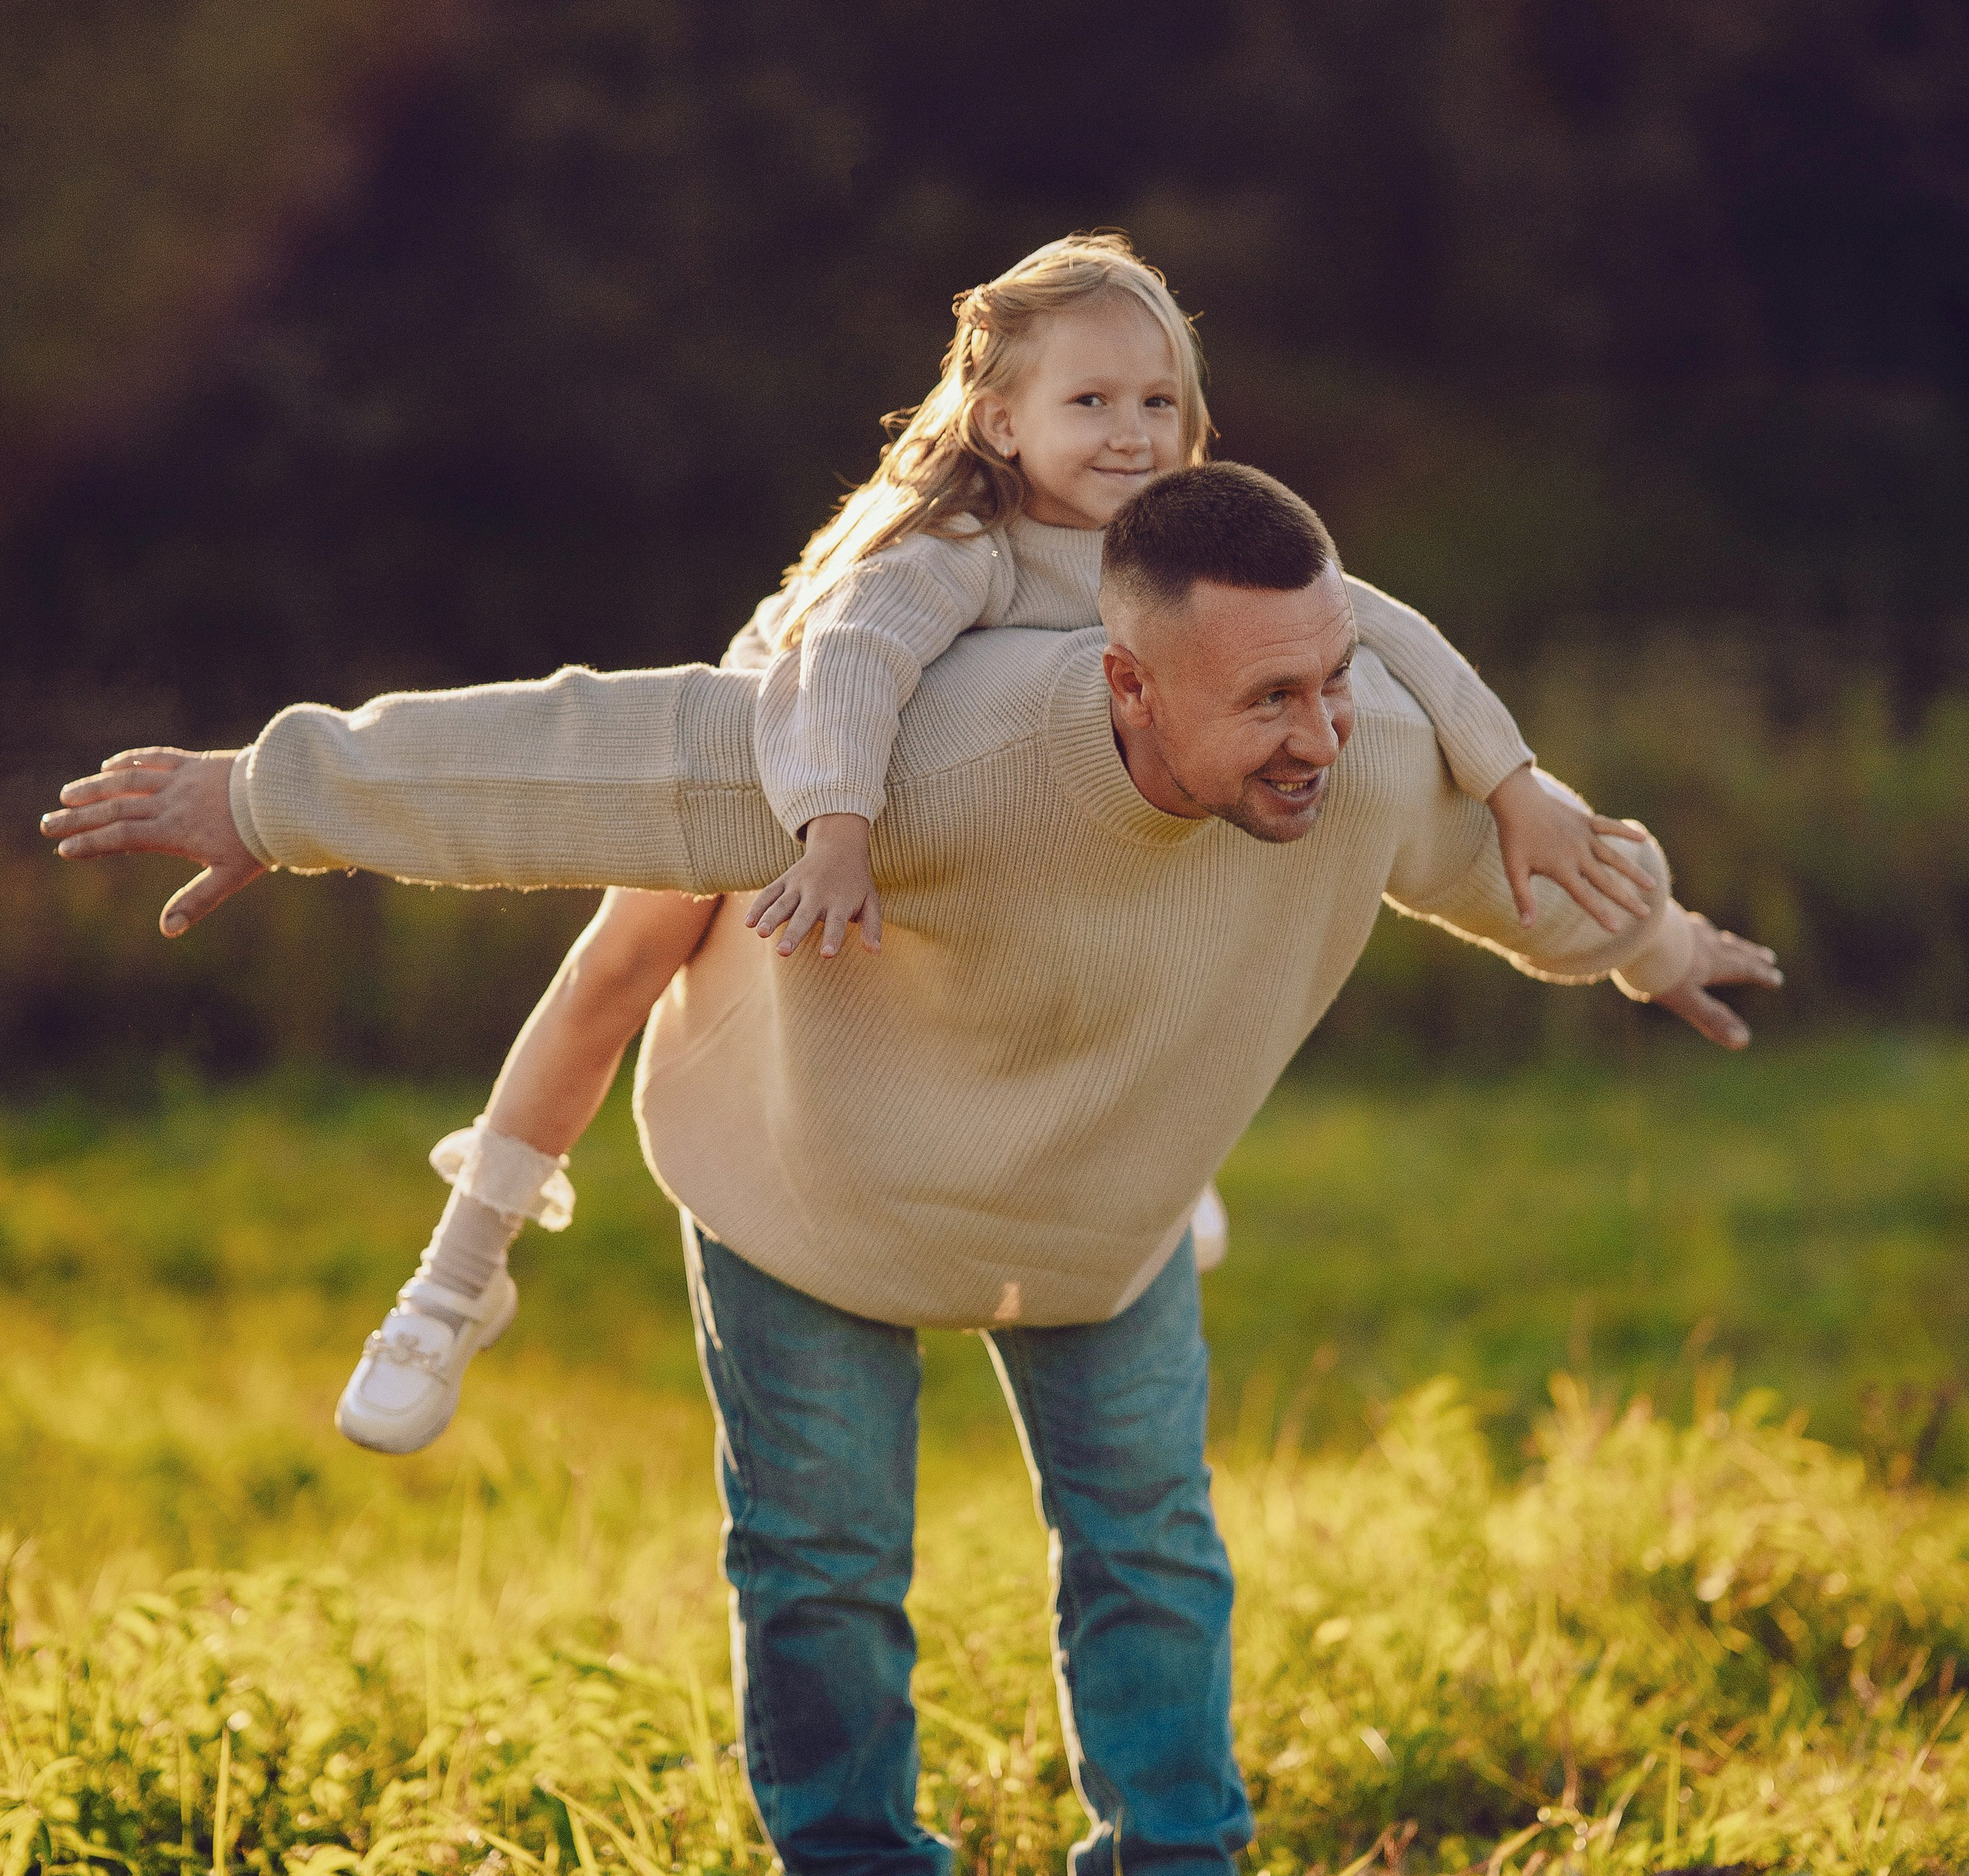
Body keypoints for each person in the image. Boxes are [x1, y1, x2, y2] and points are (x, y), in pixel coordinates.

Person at [42, 462, 1781, 1876]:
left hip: (1099, 1215)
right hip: (813, 1184)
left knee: (1152, 1561)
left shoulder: (1362, 758)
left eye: (1330, 677)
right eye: (1266, 698)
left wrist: (1662, 942)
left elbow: (1528, 879)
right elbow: (589, 758)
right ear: (1122, 684)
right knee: (819, 1580)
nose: (1320, 733)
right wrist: (266, 792)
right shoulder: (924, 745)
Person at [331, 235, 1647, 1455]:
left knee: (1178, 894)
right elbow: (851, 663)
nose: (1132, 433)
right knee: (622, 966)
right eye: (1091, 403)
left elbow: (1384, 624)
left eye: (1157, 403)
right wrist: (834, 829)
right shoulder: (956, 546)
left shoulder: (1185, 554)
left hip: (1035, 850)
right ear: (1003, 420)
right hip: (796, 759)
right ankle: (459, 1273)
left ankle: (1137, 1173)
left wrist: (1514, 778)